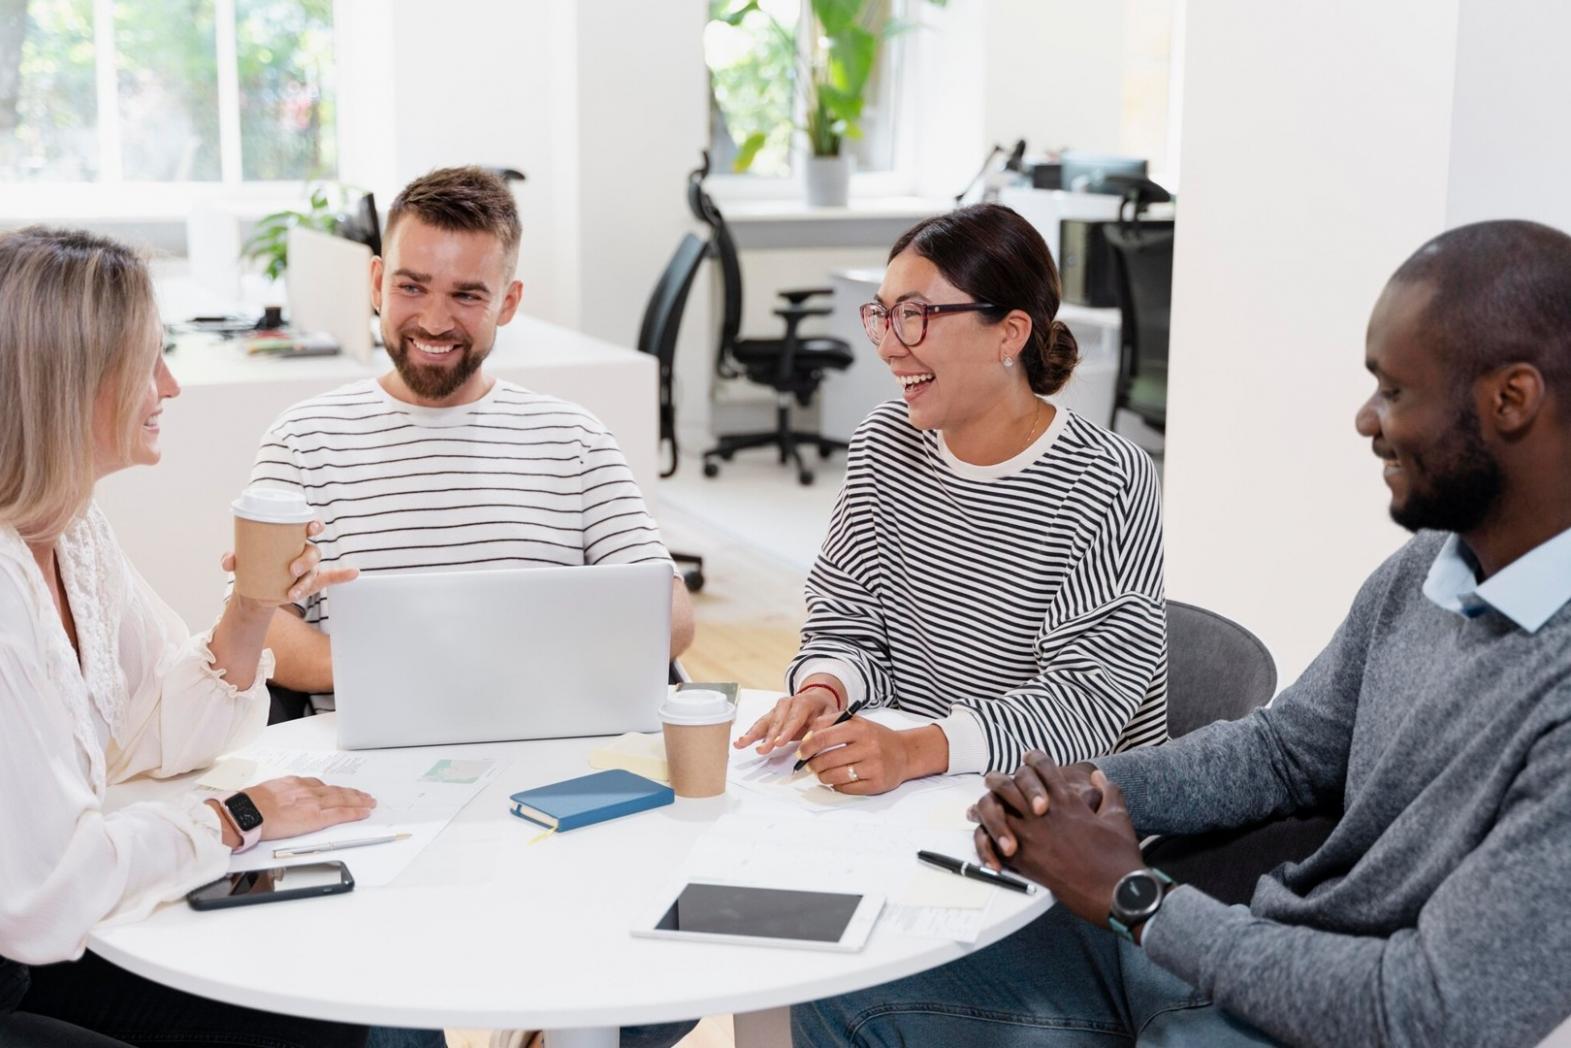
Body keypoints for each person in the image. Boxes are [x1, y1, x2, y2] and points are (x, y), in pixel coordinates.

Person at [793, 218, 1571, 1047]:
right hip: (1230, 947)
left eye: (1394, 391)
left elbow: (1424, 1012)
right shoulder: (1421, 574)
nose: (1363, 420)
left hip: (1315, 1009)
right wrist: (1082, 792)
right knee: (840, 990)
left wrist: (1136, 899)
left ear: (1511, 400)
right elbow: (1281, 753)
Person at [0, 227, 377, 1046]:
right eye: (149, 361)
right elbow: (45, 897)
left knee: (327, 1002)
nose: (169, 385)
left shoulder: (72, 532)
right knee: (311, 1026)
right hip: (24, 956)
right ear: (71, 383)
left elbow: (161, 735)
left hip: (50, 934)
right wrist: (236, 816)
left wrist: (253, 605)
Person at [735, 203, 1168, 792]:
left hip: (1064, 808)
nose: (888, 347)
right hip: (922, 793)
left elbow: (1084, 705)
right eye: (883, 316)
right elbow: (846, 620)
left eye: (915, 316)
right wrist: (824, 687)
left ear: (1009, 334)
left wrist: (914, 750)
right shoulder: (885, 443)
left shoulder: (1108, 478)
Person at [250, 166, 694, 709]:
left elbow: (670, 615)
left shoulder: (576, 441)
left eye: (466, 295)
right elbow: (259, 623)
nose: (435, 321)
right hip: (360, 750)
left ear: (508, 302)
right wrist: (411, 670)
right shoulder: (301, 441)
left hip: (547, 738)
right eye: (411, 287)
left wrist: (509, 669)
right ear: (376, 283)